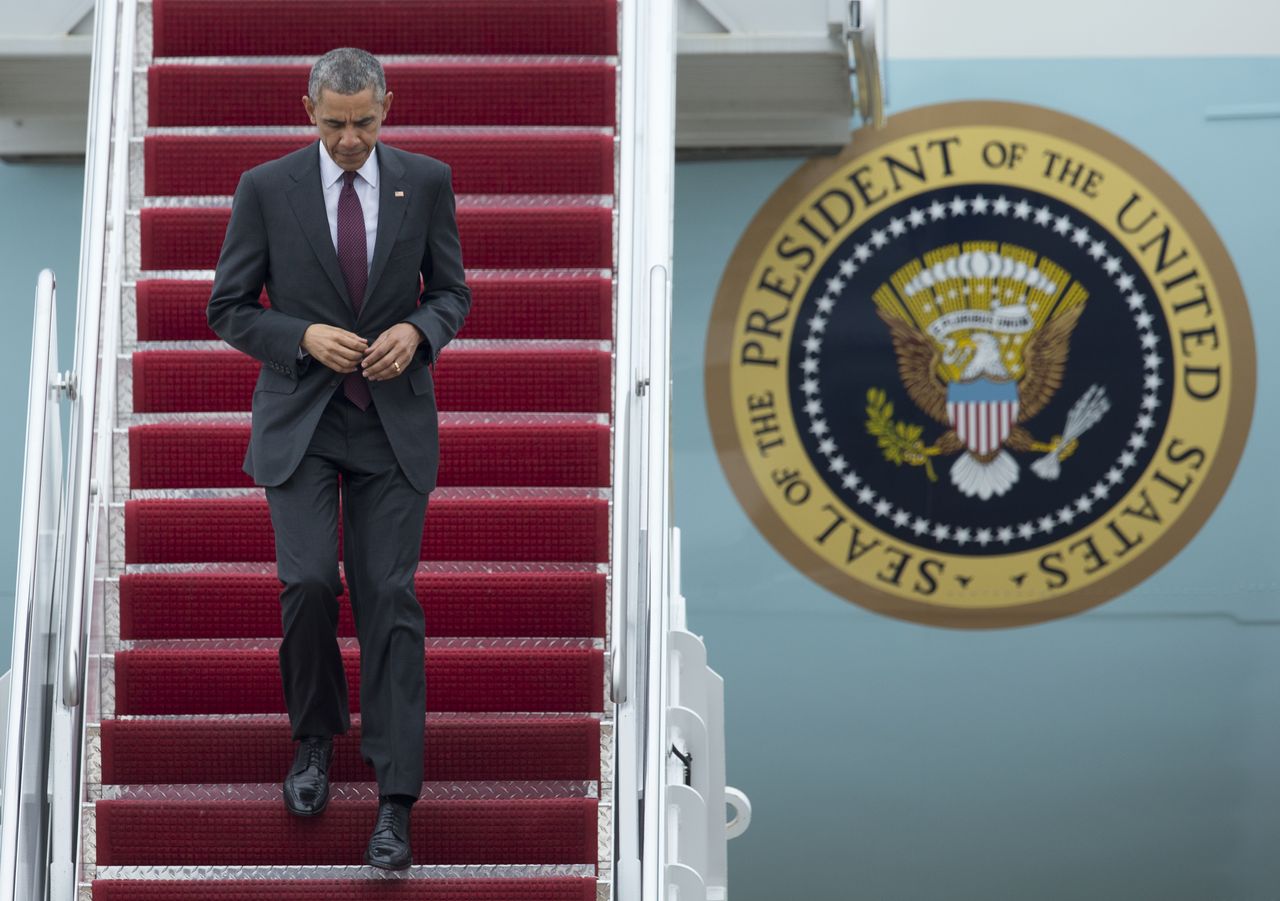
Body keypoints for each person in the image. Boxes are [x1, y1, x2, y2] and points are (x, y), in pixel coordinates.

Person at [206, 47, 470, 870]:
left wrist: (417, 332)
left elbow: (451, 292)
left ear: (387, 104)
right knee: (310, 580)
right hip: (305, 419)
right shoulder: (265, 187)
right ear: (308, 110)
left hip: (391, 421)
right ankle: (315, 738)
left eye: (365, 121)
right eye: (335, 124)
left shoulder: (425, 180)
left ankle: (395, 801)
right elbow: (228, 307)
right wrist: (299, 336)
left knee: (390, 594)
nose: (351, 139)